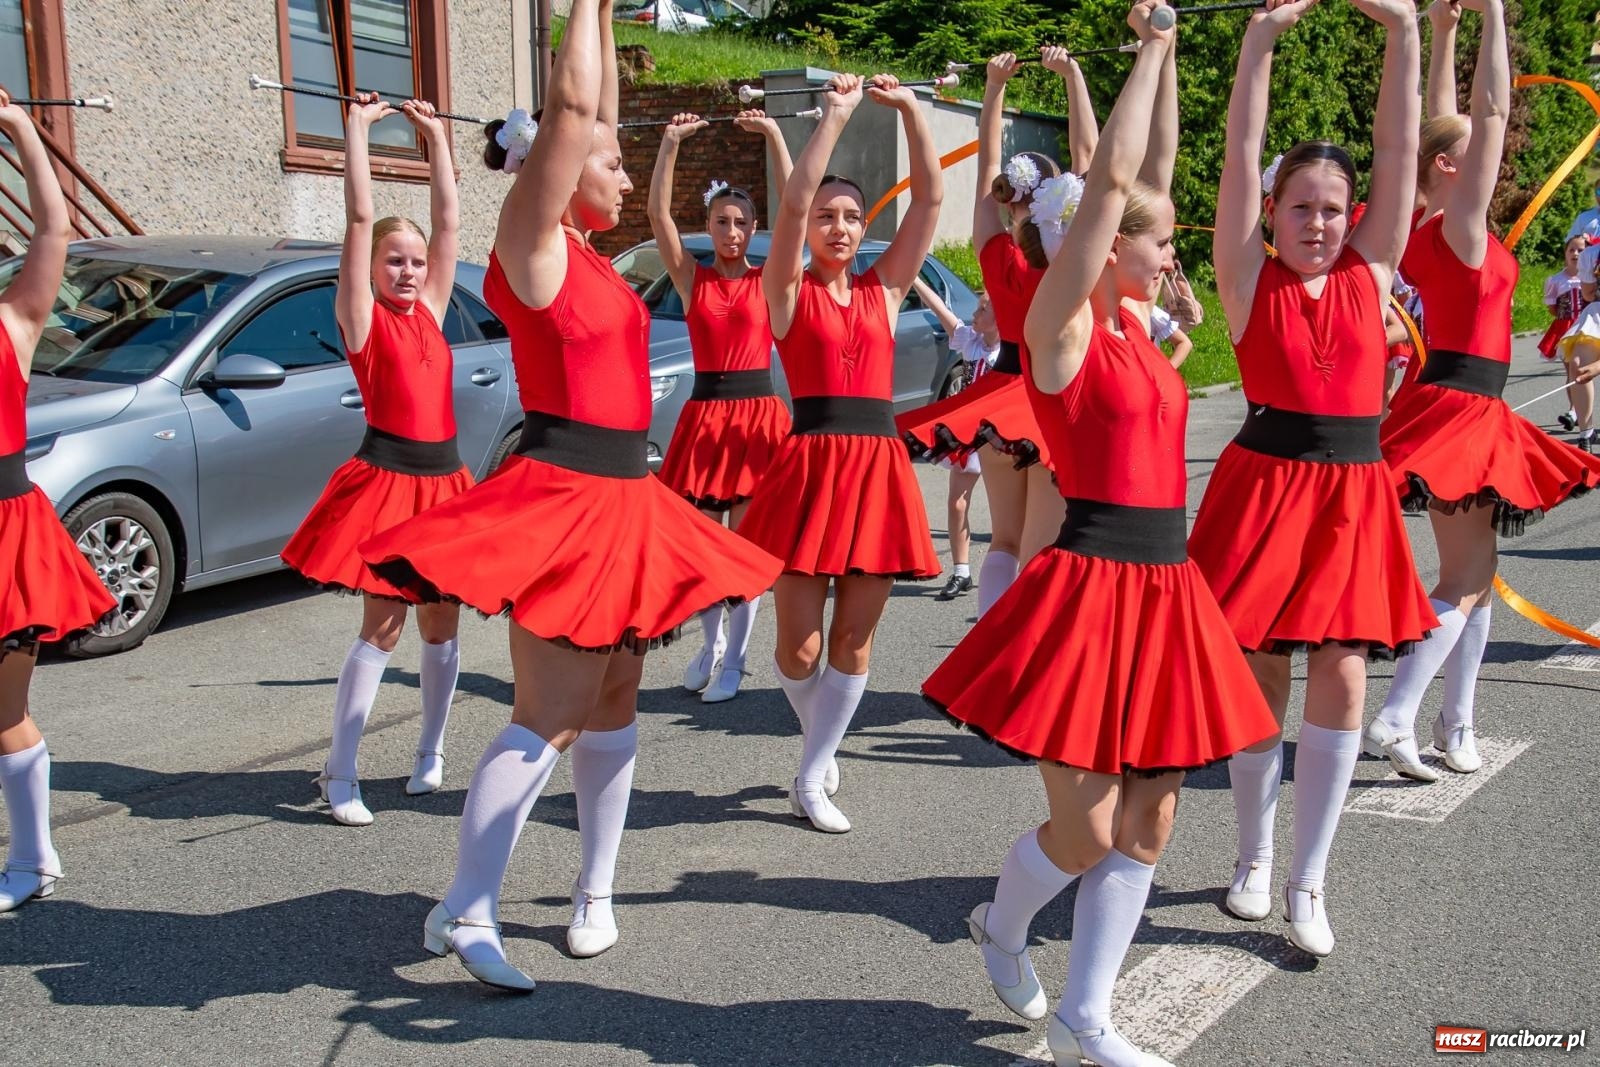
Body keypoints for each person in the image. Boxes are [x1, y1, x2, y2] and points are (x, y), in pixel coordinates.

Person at [359, 0, 782, 990]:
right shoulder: (532, 241)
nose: (626, 176)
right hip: (562, 497)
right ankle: (467, 908)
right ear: (556, 161)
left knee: (617, 697)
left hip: (626, 493)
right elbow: (579, 97)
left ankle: (595, 890)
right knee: (545, 712)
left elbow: (595, 108)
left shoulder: (591, 259)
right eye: (611, 161)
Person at [924, 11, 1276, 1065]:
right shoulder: (1059, 329)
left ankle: (1089, 1015)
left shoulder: (1137, 326)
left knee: (1152, 821)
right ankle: (999, 918)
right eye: (1153, 239)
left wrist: (1162, 59)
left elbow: (1146, 165)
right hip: (1089, 581)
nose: (1172, 257)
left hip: (1167, 585)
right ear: (1099, 241)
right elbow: (1119, 174)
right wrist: (1153, 49)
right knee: (1083, 829)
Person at [1191, 0, 1431, 958]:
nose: (1321, 223)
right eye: (1302, 207)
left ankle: (1309, 878)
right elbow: (1241, 150)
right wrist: (1258, 43)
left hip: (1352, 493)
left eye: (1335, 208)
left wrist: (1405, 34)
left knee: (1341, 675)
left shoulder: (1374, 269)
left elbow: (1399, 149)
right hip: (1266, 485)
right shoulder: (1247, 274)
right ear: (1273, 214)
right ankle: (1252, 857)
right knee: (1262, 677)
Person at [1370, 0, 1600, 780]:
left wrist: (1443, 30)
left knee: (1477, 573)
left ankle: (1455, 725)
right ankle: (1399, 713)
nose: (1490, 156)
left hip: (1450, 405)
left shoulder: (1437, 226)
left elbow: (1448, 116)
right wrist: (1496, 9)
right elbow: (1490, 108)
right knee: (1463, 581)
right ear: (1447, 168)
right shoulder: (1461, 230)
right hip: (1463, 410)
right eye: (1473, 152)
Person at [736, 71, 943, 834]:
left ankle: (812, 770)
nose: (840, 226)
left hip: (876, 467)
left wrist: (913, 111)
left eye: (852, 217)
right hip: (811, 464)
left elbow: (927, 203)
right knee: (800, 646)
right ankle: (820, 739)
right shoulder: (785, 292)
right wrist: (835, 116)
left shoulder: (885, 290)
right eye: (829, 215)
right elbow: (790, 204)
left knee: (854, 639)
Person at [280, 93, 471, 826]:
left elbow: (451, 220)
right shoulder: (362, 319)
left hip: (446, 482)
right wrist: (358, 130)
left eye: (416, 262)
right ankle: (342, 770)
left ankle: (430, 752)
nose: (409, 271)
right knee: (383, 628)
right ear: (373, 268)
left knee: (442, 625)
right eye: (396, 261)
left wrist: (434, 138)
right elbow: (359, 221)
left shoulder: (432, 307)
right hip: (391, 482)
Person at [895, 47, 1099, 616]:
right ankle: (1020, 661)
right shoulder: (1067, 255)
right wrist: (1072, 76)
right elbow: (1092, 157)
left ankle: (988, 643)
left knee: (1004, 540)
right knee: (1043, 544)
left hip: (999, 392)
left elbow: (987, 169)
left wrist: (994, 91)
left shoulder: (995, 250)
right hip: (1051, 393)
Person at [0, 87, 118, 910]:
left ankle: (34, 855)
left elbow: (53, 228)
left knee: (4, 709)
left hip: (6, 534)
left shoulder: (12, 322)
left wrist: (16, 127)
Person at [647, 109, 795, 703]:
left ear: (752, 228)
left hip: (757, 417)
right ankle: (708, 645)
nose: (730, 232)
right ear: (708, 226)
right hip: (707, 418)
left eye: (739, 223)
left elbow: (798, 209)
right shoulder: (692, 278)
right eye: (719, 222)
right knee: (705, 545)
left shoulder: (768, 278)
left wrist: (776, 135)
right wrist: (670, 142)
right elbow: (658, 215)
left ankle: (736, 659)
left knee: (747, 546)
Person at [915, 278, 1001, 602]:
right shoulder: (971, 342)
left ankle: (1009, 568)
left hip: (999, 437)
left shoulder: (1008, 351)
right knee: (957, 501)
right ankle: (962, 570)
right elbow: (943, 312)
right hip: (967, 435)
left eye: (982, 309)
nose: (974, 314)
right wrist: (915, 280)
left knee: (1002, 508)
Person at [1541, 236, 1589, 436]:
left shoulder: (1590, 277)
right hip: (1566, 327)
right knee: (1571, 369)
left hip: (1588, 326)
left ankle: (1580, 411)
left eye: (1580, 250)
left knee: (1585, 369)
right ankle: (1574, 411)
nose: (1576, 254)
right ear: (1565, 253)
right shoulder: (1556, 280)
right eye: (1572, 250)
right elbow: (1552, 308)